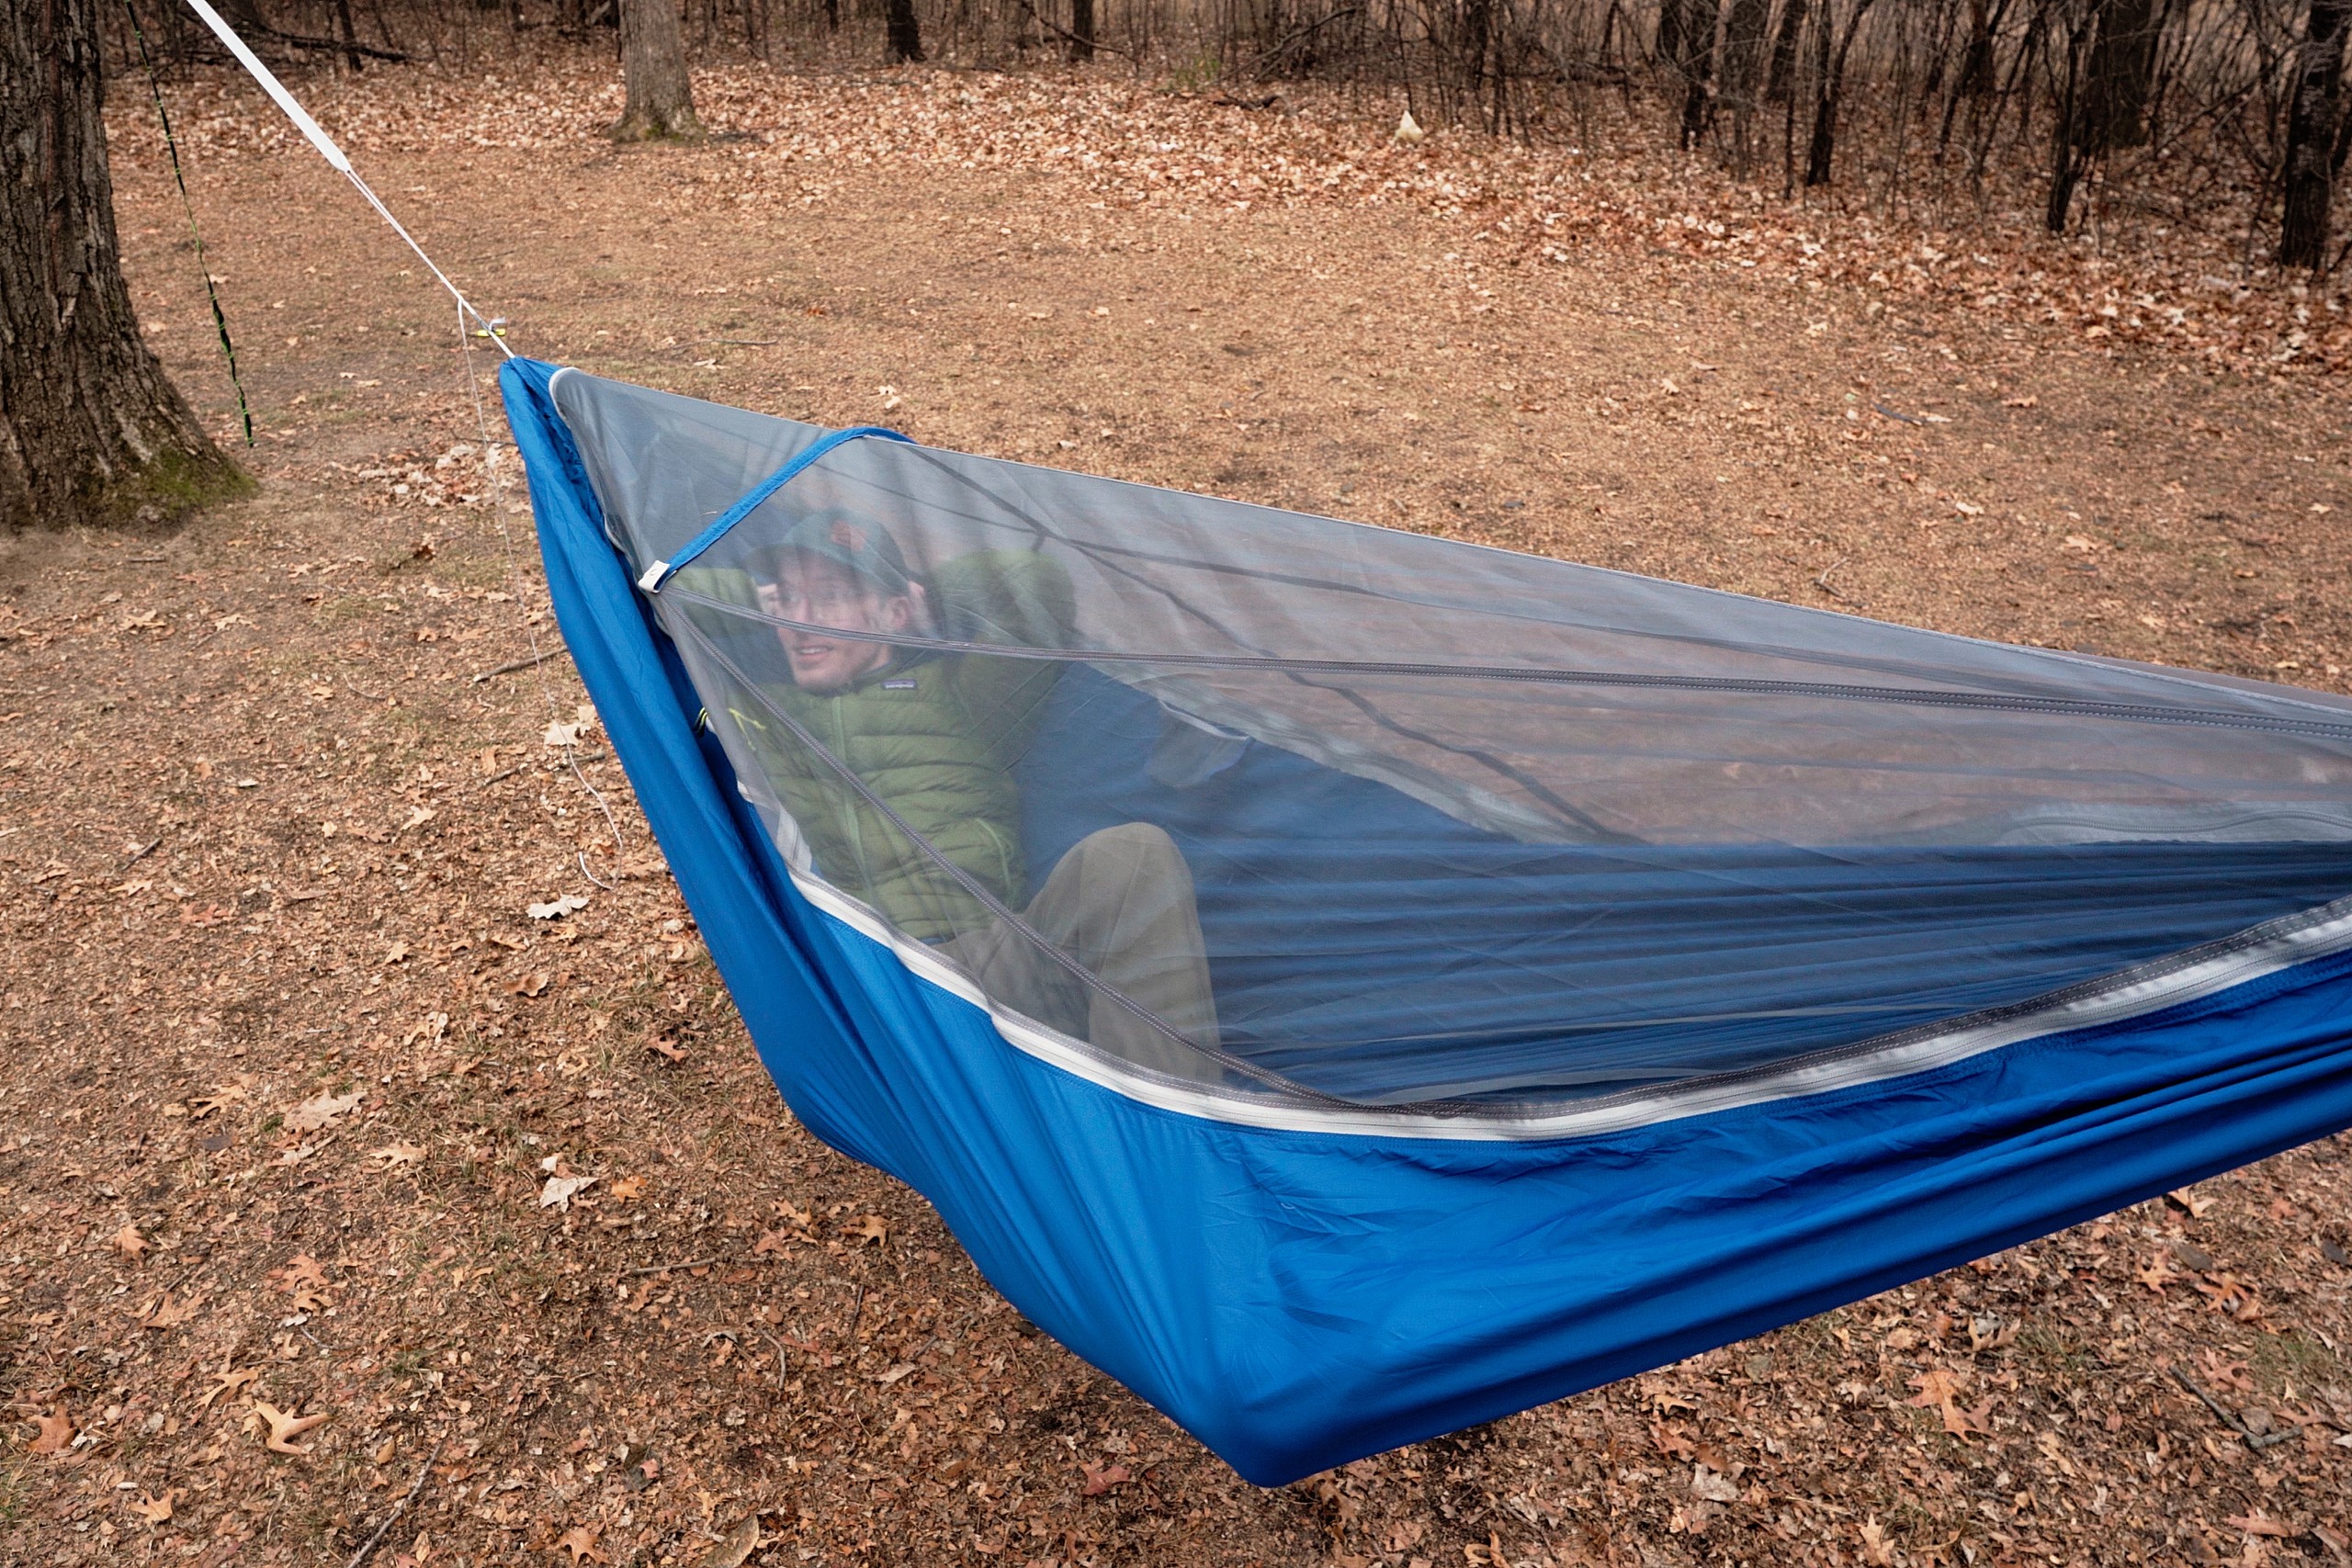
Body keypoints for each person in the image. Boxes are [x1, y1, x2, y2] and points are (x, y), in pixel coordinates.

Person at [724, 509, 1220, 1078]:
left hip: (990, 964)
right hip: (877, 976)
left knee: (1131, 853)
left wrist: (925, 597)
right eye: (785, 600)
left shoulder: (962, 701)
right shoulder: (758, 709)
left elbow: (1035, 587)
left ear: (894, 613)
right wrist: (742, 594)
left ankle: (1167, 1132)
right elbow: (657, 605)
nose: (800, 624)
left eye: (831, 596)